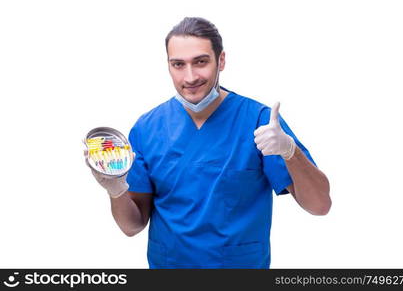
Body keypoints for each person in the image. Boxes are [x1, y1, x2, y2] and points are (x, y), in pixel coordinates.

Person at [85, 17, 331, 269]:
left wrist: (291, 152)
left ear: (221, 60)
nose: (190, 77)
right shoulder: (147, 128)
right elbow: (132, 226)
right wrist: (116, 190)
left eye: (200, 62)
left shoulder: (260, 122)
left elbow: (320, 205)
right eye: (178, 64)